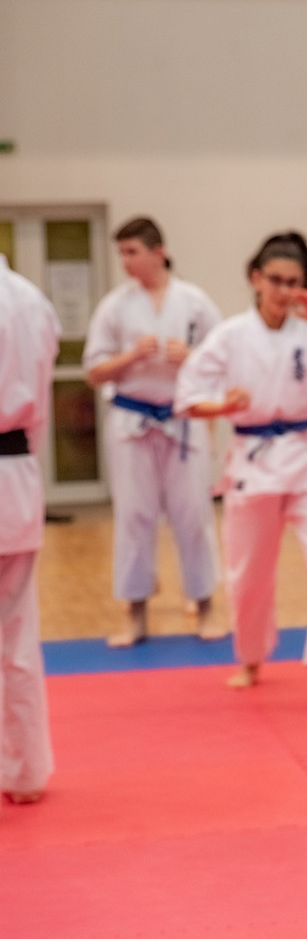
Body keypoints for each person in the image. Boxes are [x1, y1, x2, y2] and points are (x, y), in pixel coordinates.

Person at [175, 232, 307, 706]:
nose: (284, 290)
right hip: (253, 462)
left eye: (293, 283)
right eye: (275, 280)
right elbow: (187, 397)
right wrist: (223, 406)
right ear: (256, 279)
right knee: (248, 573)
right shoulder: (231, 335)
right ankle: (251, 658)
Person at [83, 217, 224, 647]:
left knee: (193, 515)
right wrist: (128, 358)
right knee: (134, 516)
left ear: (157, 252)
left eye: (132, 252)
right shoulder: (115, 306)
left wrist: (192, 357)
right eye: (121, 253)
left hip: (183, 418)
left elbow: (225, 361)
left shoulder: (195, 302)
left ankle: (205, 608)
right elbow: (93, 371)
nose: (125, 261)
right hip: (131, 422)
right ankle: (136, 614)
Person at [0, 253, 59, 808]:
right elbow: (40, 396)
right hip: (17, 469)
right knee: (17, 633)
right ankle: (26, 772)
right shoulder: (31, 300)